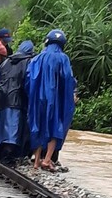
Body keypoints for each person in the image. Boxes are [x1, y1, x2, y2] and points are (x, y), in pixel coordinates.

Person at [26, 29, 77, 172]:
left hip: (38, 98)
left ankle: (36, 160)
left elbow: (29, 78)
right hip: (55, 99)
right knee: (56, 126)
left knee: (38, 124)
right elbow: (67, 79)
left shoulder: (37, 58)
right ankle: (47, 159)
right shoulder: (63, 59)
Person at [0, 40, 35, 166]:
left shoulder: (6, 61)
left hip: (2, 98)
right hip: (17, 100)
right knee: (13, 130)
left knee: (0, 127)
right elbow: (28, 82)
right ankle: (8, 156)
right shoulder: (28, 62)